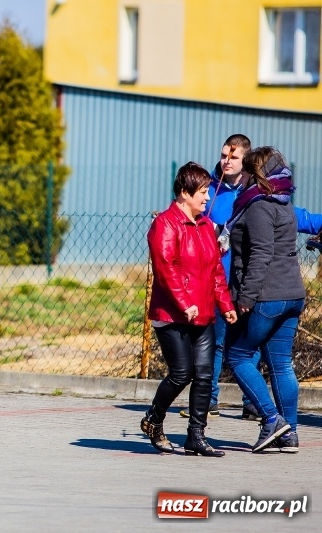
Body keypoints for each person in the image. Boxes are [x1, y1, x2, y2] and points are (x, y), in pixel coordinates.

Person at [179, 134, 322, 421]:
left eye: (233, 157)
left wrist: (246, 295)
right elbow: (195, 224)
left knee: (247, 350)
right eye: (223, 155)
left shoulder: (257, 199)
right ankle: (211, 400)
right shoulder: (213, 193)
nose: (226, 161)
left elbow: (291, 229)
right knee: (219, 342)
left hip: (253, 287)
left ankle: (258, 408)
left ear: (247, 163)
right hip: (220, 281)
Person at [141, 162, 236, 457]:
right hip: (171, 315)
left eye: (208, 191)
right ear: (184, 192)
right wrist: (185, 304)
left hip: (204, 313)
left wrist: (226, 305)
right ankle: (153, 420)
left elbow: (215, 273)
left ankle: (196, 435)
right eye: (203, 192)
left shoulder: (207, 226)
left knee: (205, 374)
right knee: (182, 373)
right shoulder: (165, 224)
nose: (207, 198)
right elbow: (165, 269)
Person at [223, 147, 305, 453]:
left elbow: (260, 255)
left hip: (268, 297)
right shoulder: (284, 204)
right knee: (281, 365)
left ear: (254, 173)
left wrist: (246, 297)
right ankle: (290, 433)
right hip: (292, 294)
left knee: (238, 356)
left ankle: (271, 419)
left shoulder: (258, 207)